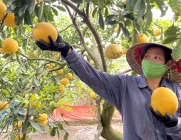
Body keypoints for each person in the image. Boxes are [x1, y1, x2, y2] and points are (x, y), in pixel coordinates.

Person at [36, 35, 181, 140]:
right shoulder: (125, 86)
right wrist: (68, 51)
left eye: (157, 58)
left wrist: (174, 124)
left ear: (167, 64)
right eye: (147, 57)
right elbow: (93, 77)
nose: (150, 60)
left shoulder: (175, 90)